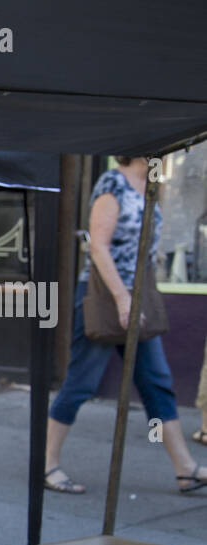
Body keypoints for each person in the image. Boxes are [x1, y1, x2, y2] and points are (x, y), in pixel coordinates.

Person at [45, 157, 206, 494]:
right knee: (81, 383)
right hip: (105, 296)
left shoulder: (150, 185)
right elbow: (99, 247)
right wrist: (122, 298)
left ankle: (185, 468)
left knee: (156, 383)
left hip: (136, 299)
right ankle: (47, 465)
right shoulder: (112, 184)